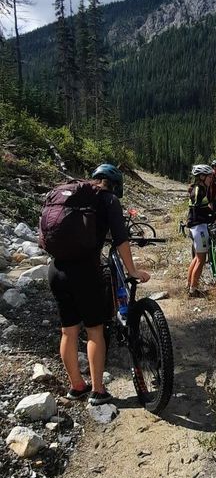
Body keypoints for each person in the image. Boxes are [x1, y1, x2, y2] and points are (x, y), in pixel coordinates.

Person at [46, 163, 150, 404]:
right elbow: (121, 239)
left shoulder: (74, 196)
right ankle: (98, 390)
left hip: (56, 270)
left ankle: (76, 386)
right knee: (94, 330)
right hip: (85, 272)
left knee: (69, 331)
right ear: (116, 185)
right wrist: (132, 270)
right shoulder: (108, 199)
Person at [186, 164, 216, 297]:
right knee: (201, 260)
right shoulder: (198, 190)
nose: (211, 179)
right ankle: (193, 290)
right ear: (202, 177)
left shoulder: (200, 188)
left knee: (197, 258)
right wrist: (212, 215)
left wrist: (212, 214)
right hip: (198, 227)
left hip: (197, 226)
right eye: (209, 177)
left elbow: (202, 207)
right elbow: (197, 208)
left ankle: (189, 285)